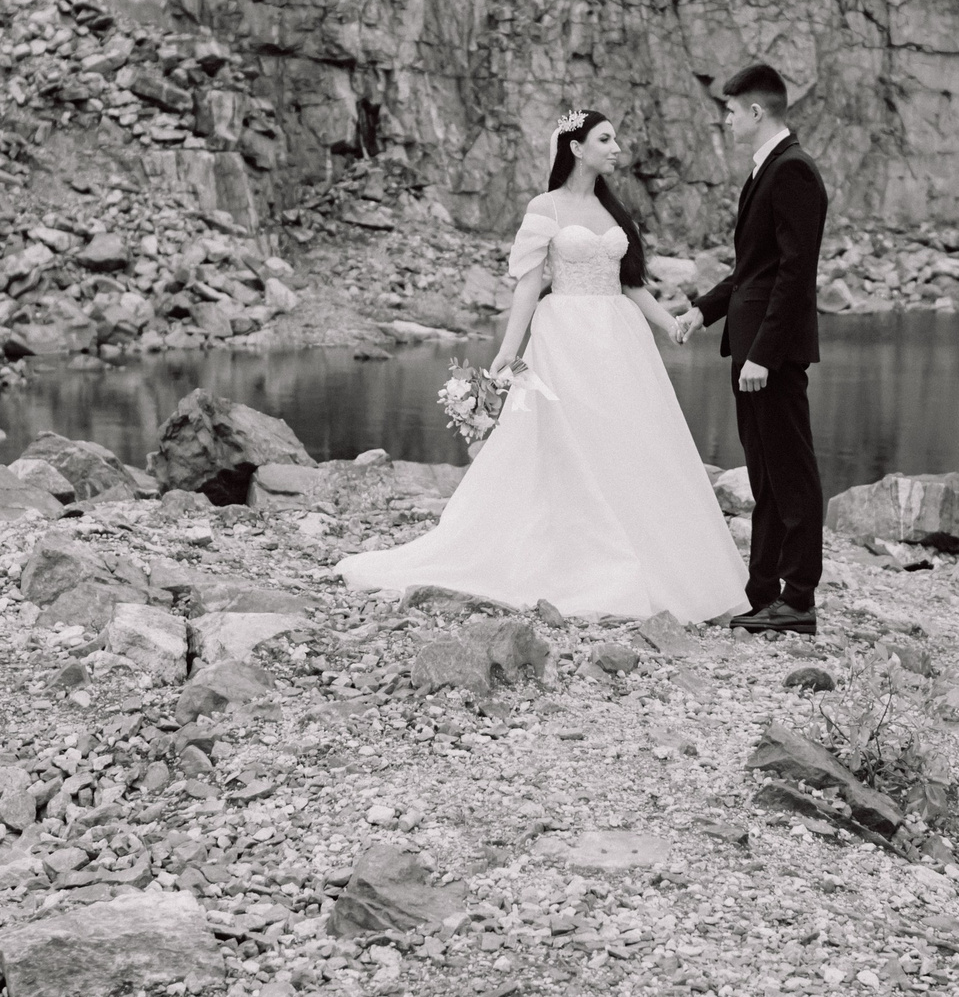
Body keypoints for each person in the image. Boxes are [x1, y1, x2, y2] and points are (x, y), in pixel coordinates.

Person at [335, 110, 750, 622]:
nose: (617, 146)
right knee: (565, 441)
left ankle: (647, 554)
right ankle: (568, 556)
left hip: (620, 338)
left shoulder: (613, 209)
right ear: (576, 148)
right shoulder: (545, 208)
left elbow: (632, 284)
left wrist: (672, 325)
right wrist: (508, 352)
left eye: (615, 137)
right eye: (606, 138)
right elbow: (529, 284)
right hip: (565, 337)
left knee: (629, 440)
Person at [674, 65, 828, 634]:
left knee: (792, 472)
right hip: (752, 349)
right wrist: (703, 310)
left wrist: (763, 353)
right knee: (764, 473)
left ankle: (800, 598)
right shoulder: (767, 171)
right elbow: (754, 271)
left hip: (773, 355)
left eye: (732, 111)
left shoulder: (793, 172)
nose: (726, 119)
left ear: (757, 112)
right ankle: (763, 592)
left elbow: (794, 275)